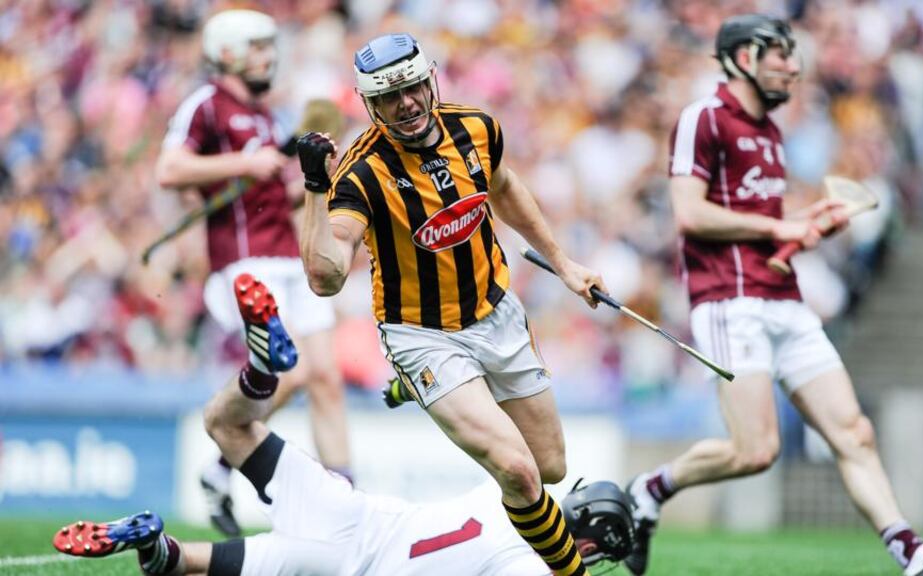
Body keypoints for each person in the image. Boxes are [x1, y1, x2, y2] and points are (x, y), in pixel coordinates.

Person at [621, 14, 923, 576]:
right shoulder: (703, 118)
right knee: (755, 451)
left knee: (854, 431)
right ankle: (652, 487)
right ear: (742, 59)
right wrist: (780, 228)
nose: (793, 66)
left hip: (783, 297)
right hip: (728, 301)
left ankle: (914, 555)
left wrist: (806, 227)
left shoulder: (772, 134)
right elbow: (690, 212)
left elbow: (762, 231)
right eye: (778, 55)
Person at [53, 275, 635, 576]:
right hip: (345, 569)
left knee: (223, 425)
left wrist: (421, 383)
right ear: (590, 542)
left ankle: (260, 375)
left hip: (351, 513)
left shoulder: (513, 492)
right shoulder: (531, 562)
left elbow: (496, 412)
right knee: (190, 565)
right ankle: (157, 546)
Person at [296, 33, 607, 576]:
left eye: (413, 88)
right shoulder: (361, 172)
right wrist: (313, 189)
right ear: (370, 105)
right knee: (518, 472)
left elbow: (504, 187)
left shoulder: (477, 127)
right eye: (390, 98)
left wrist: (563, 264)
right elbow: (325, 279)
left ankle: (413, 390)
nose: (407, 104)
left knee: (550, 467)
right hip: (423, 334)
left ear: (430, 80)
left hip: (496, 312)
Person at [154, 9, 351, 537]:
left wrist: (312, 177)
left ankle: (348, 502)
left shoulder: (269, 116)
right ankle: (224, 458)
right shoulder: (207, 106)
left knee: (327, 378)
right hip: (244, 261)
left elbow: (275, 194)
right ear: (229, 52)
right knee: (300, 372)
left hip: (290, 256)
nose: (271, 55)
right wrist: (243, 164)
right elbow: (169, 169)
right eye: (259, 47)